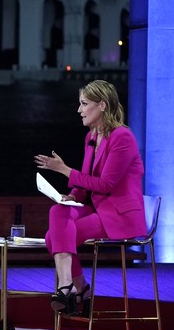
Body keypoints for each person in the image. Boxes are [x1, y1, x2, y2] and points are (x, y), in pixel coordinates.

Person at [34, 79, 147, 316]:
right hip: (99, 208)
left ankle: (72, 288)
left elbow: (106, 184)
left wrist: (64, 170)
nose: (79, 110)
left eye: (84, 104)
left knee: (52, 237)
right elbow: (85, 183)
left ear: (102, 105)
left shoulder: (122, 137)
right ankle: (76, 287)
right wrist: (71, 196)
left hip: (119, 215)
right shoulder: (92, 137)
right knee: (58, 211)